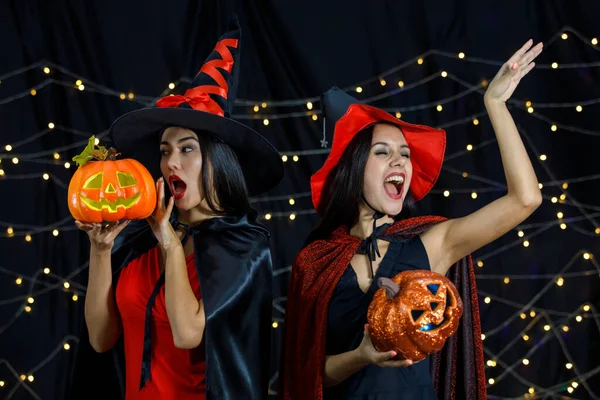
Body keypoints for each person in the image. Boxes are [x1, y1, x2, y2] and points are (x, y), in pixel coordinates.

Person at [281, 39, 543, 399]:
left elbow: (525, 198)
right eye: (383, 152)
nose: (401, 162)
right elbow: (309, 375)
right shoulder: (315, 262)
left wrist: (495, 104)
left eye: (404, 154)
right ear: (354, 169)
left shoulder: (432, 243)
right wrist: (359, 356)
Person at [68, 16, 283, 400]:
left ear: (217, 160)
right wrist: (101, 251)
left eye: (187, 149)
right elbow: (102, 339)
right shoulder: (139, 244)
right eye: (165, 151)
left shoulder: (244, 246)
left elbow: (187, 333)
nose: (170, 164)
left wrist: (169, 244)